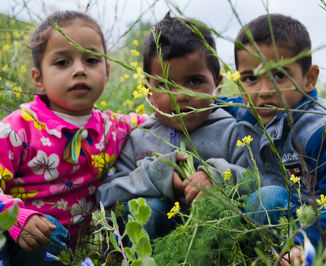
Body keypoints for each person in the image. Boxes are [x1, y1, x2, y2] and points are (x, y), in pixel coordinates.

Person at [222, 13, 326, 265]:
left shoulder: (325, 132)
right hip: (308, 217)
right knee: (262, 200)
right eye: (250, 78)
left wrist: (305, 241)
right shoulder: (253, 112)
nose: (264, 90)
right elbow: (225, 104)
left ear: (309, 78)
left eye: (279, 75)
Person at [0, 10, 144, 265]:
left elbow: (158, 125)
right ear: (38, 78)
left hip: (77, 251)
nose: (79, 70)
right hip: (22, 246)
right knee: (45, 234)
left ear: (107, 71)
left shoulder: (112, 128)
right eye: (62, 63)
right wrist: (16, 219)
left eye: (91, 60)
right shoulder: (18, 128)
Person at [96, 13, 247, 239]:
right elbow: (106, 195)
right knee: (147, 209)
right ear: (148, 91)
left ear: (217, 84)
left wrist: (217, 176)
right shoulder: (139, 138)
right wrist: (157, 176)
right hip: (155, 252)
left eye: (194, 81)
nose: (180, 96)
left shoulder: (231, 130)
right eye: (165, 85)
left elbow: (255, 180)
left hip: (219, 241)